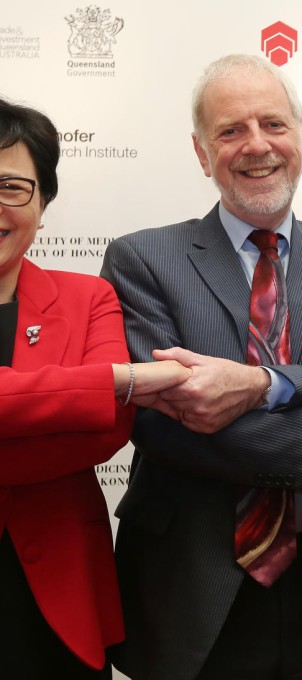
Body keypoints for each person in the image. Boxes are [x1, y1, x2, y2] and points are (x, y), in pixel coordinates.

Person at [100, 54, 302, 680]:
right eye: (231, 130)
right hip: (191, 580)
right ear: (202, 152)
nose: (256, 145)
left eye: (274, 124)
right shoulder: (143, 258)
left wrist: (260, 383)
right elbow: (162, 421)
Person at [0, 99, 189, 678]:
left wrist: (97, 397)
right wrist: (115, 379)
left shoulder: (88, 299)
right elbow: (104, 400)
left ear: (44, 200)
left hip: (54, 599)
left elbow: (104, 429)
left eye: (12, 186)